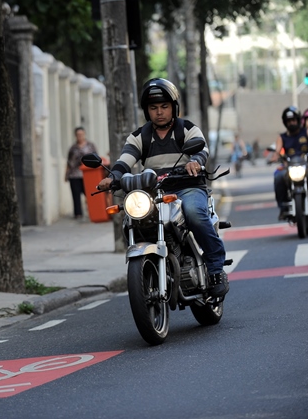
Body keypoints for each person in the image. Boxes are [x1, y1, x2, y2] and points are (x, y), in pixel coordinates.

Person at [96, 78, 229, 298]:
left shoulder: (187, 129)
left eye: (164, 107)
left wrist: (195, 161)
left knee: (194, 214)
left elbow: (201, 150)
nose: (159, 112)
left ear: (173, 107)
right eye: (154, 108)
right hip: (155, 193)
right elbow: (124, 161)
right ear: (147, 111)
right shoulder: (140, 137)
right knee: (134, 220)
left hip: (188, 188)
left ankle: (216, 269)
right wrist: (113, 177)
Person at [268, 106, 308, 221]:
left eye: (294, 120)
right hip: (289, 167)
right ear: (285, 123)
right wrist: (274, 158)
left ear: (299, 120)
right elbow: (277, 152)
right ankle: (283, 208)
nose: (292, 123)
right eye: (289, 121)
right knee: (278, 176)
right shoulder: (281, 137)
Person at [65, 126, 98, 219]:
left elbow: (96, 159)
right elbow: (69, 162)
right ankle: (78, 214)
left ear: (84, 134)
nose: (80, 136)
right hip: (74, 174)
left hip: (88, 174)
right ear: (75, 135)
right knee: (75, 194)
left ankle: (94, 212)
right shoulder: (73, 148)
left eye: (81, 134)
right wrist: (66, 174)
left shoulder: (90, 146)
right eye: (78, 134)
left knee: (90, 194)